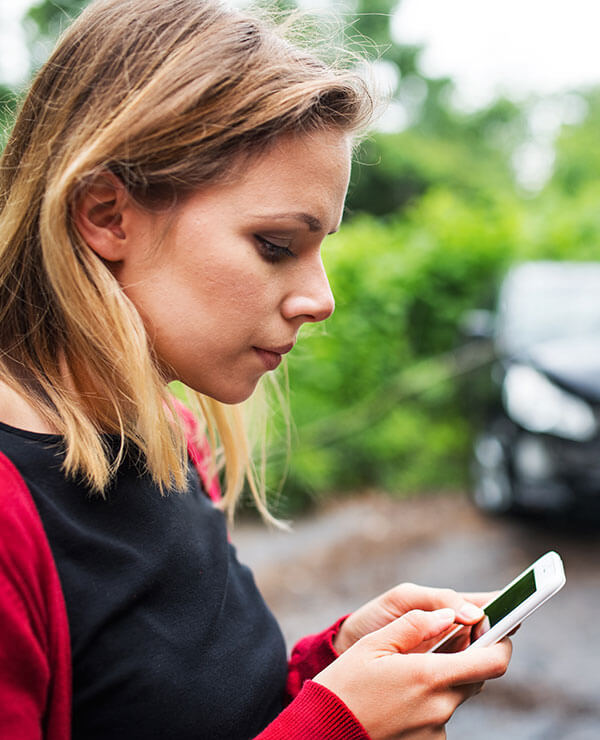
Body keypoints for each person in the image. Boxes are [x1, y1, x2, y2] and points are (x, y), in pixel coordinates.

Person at [0, 0, 512, 738]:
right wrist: (339, 727)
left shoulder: (169, 436)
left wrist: (330, 667)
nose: (322, 299)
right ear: (108, 214)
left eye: (321, 246)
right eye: (277, 245)